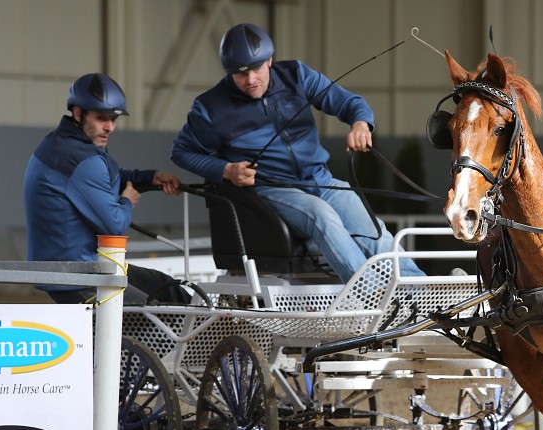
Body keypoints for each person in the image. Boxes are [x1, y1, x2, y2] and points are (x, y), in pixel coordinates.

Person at [171, 23, 425, 283]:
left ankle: (421, 294)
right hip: (273, 188)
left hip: (321, 179)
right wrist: (226, 170)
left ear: (270, 60)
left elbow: (350, 103)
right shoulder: (210, 107)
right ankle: (371, 294)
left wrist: (360, 123)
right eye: (240, 73)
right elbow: (182, 152)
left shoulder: (297, 75)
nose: (250, 80)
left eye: (257, 69)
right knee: (321, 215)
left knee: (371, 227)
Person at [24, 73, 188, 305]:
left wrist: (151, 178)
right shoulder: (80, 158)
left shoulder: (60, 143)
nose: (109, 127)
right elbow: (114, 225)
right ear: (78, 113)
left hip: (80, 266)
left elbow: (106, 180)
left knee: (169, 289)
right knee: (157, 316)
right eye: (102, 118)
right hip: (77, 277)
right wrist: (127, 201)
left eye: (113, 119)